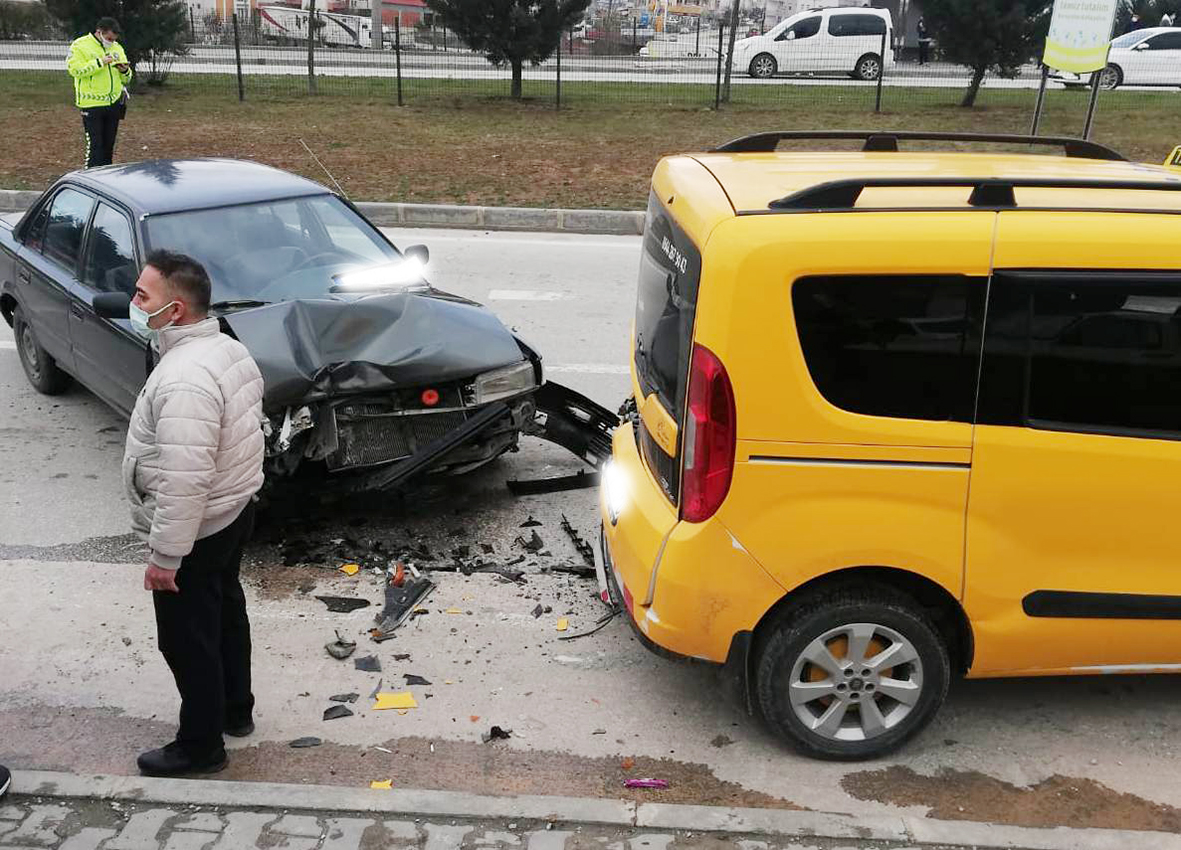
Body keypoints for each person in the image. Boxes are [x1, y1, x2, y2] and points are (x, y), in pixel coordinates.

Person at [124, 250, 265, 777]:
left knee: (186, 638)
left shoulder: (185, 377)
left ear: (176, 309)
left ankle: (200, 745)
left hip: (198, 527)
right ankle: (236, 710)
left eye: (143, 296)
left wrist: (165, 556)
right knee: (225, 614)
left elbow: (185, 477)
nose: (134, 303)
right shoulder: (228, 348)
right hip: (234, 510)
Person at [67, 16, 132, 169]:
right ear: (99, 32)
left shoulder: (117, 48)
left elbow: (127, 78)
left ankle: (105, 177)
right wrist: (100, 62)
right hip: (92, 105)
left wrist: (125, 71)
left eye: (114, 39)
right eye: (109, 38)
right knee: (96, 147)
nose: (111, 41)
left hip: (113, 104)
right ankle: (90, 177)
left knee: (109, 146)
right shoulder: (80, 45)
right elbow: (75, 70)